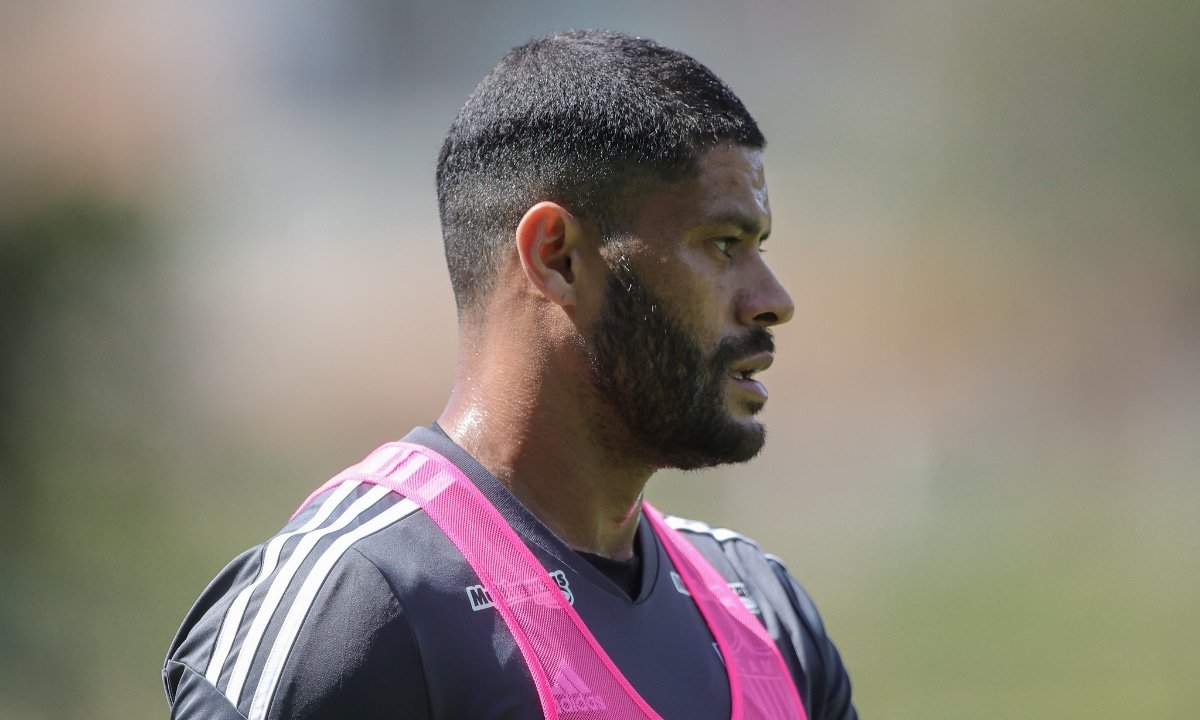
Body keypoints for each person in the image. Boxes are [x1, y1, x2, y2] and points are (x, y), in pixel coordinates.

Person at [164, 29, 857, 719]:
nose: (774, 300)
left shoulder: (764, 613)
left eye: (759, 246)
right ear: (556, 257)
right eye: (724, 245)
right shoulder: (359, 605)